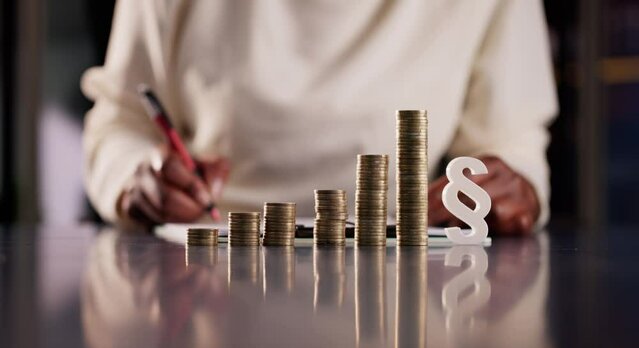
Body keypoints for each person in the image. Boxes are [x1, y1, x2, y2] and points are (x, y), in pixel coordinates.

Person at [82, 0, 557, 235]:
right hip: (208, 259)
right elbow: (122, 121)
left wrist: (515, 187)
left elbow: (512, 141)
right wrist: (135, 177)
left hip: (400, 269)